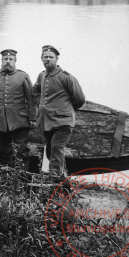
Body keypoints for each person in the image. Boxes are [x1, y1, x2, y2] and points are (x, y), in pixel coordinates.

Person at [32, 45, 85, 179]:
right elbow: (35, 91)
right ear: (41, 59)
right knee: (50, 150)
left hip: (63, 122)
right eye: (45, 57)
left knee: (56, 148)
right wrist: (40, 103)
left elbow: (79, 99)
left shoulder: (66, 77)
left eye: (51, 57)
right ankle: (62, 175)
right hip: (47, 122)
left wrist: (66, 110)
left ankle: (54, 179)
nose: (48, 59)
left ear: (56, 59)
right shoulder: (41, 76)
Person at [0, 49, 37, 170]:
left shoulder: (23, 76)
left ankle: (22, 178)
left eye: (10, 59)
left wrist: (33, 118)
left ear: (15, 60)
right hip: (0, 120)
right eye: (5, 59)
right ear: (2, 60)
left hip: (20, 121)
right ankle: (6, 178)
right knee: (4, 150)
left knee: (22, 151)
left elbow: (31, 99)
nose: (8, 61)